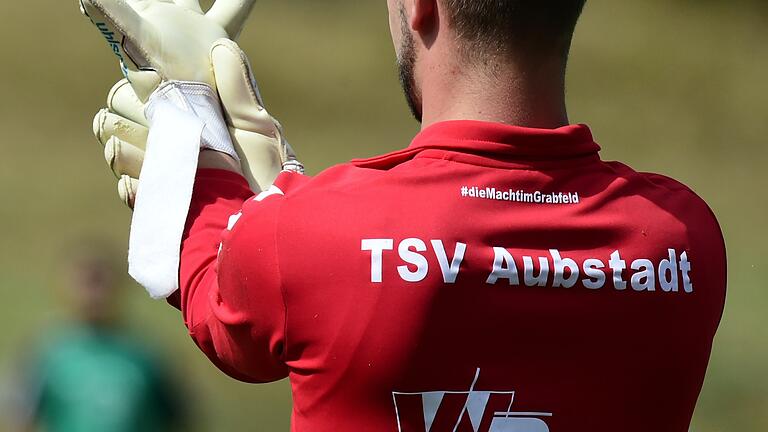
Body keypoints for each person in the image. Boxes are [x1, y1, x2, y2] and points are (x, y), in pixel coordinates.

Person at [83, 0, 727, 431]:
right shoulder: (684, 240)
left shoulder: (310, 238)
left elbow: (216, 291)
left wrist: (191, 124)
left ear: (421, 6)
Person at [10, 245, 186, 432]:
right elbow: (20, 416)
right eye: (85, 283)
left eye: (99, 282)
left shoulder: (145, 353)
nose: (93, 294)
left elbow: (179, 416)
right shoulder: (47, 352)